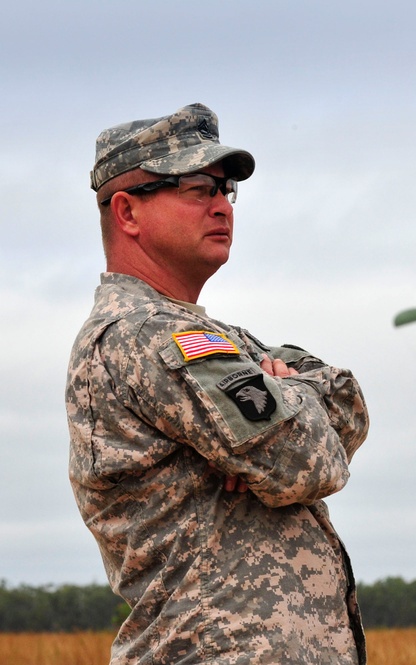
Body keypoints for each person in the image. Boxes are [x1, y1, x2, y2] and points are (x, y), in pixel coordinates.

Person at [65, 103, 370, 664]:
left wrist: (278, 414)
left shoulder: (209, 335)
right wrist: (290, 408)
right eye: (195, 187)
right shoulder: (144, 336)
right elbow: (305, 460)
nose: (220, 205)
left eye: (226, 189)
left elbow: (349, 406)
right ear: (128, 212)